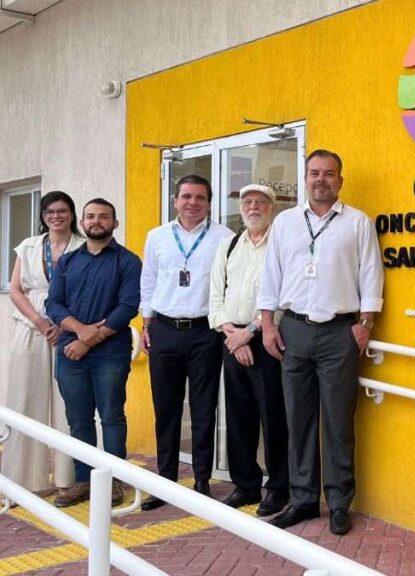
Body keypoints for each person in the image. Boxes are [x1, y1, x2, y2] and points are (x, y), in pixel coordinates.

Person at [258, 149, 383, 535]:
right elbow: (271, 275)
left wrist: (365, 324)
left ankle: (340, 502)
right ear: (305, 178)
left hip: (339, 332)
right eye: (314, 173)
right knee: (298, 420)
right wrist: (267, 324)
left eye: (329, 174)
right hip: (293, 330)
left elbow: (371, 274)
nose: (321, 180)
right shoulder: (285, 223)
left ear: (340, 180)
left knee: (338, 421)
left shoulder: (357, 223)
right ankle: (303, 499)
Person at [139, 174, 233, 510]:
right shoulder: (157, 237)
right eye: (186, 196)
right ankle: (165, 482)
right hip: (164, 330)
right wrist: (146, 323)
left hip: (205, 332)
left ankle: (202, 481)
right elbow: (148, 280)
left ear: (209, 202)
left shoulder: (224, 237)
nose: (193, 203)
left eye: (200, 197)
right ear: (175, 200)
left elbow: (228, 284)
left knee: (204, 408)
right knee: (166, 409)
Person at [46, 198, 142, 507]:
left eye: (103, 216)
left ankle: (113, 481)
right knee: (78, 419)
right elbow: (53, 304)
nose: (96, 221)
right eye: (90, 216)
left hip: (110, 353)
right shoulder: (68, 262)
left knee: (111, 416)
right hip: (69, 352)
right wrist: (79, 330)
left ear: (115, 223)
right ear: (82, 222)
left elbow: (128, 306)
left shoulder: (128, 261)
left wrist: (88, 340)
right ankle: (84, 480)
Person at [208, 184, 288, 516]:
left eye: (260, 203)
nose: (253, 208)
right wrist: (231, 333)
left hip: (267, 337)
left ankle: (279, 488)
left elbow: (284, 296)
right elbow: (215, 296)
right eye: (248, 202)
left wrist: (249, 333)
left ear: (272, 208)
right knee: (238, 416)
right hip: (231, 337)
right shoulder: (229, 246)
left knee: (274, 417)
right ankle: (245, 485)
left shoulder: (281, 245)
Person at [1, 191, 83, 495]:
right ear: (43, 216)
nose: (56, 216)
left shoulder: (83, 247)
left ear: (72, 214)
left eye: (62, 210)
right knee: (24, 400)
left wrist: (64, 324)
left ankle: (68, 480)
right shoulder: (29, 246)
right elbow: (16, 290)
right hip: (30, 327)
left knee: (68, 406)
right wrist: (40, 321)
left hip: (70, 330)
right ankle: (21, 482)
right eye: (50, 211)